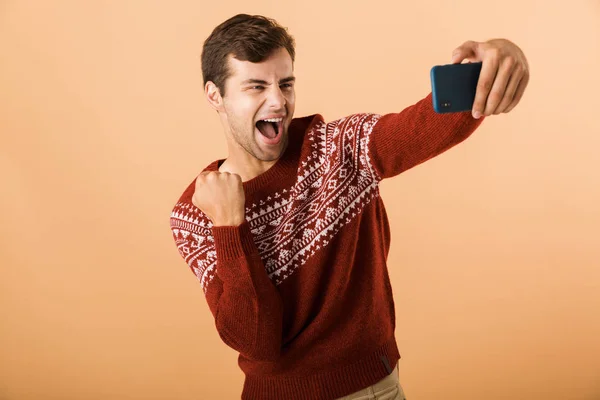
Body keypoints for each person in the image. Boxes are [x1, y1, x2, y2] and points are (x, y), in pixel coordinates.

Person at [169, 13, 529, 400]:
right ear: (214, 95)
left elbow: (425, 125)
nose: (278, 101)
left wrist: (499, 59)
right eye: (255, 86)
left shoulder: (339, 148)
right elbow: (256, 340)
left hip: (370, 390)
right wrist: (229, 227)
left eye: (286, 84)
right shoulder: (195, 213)